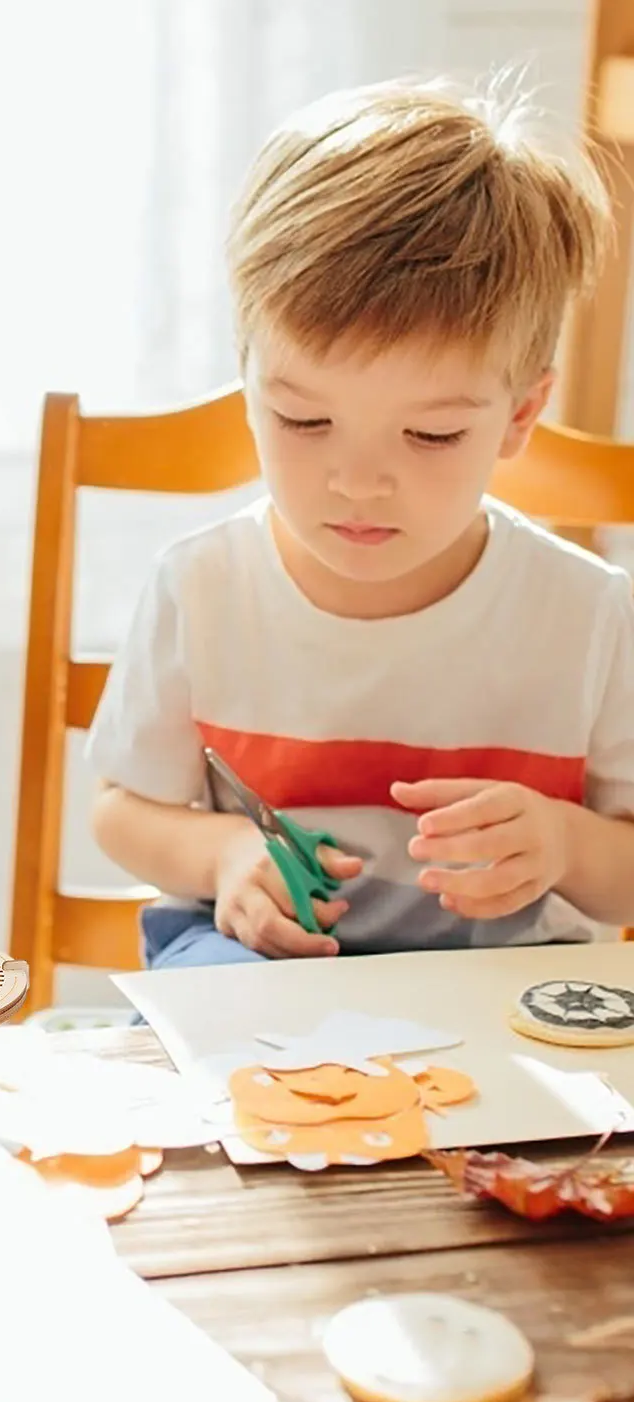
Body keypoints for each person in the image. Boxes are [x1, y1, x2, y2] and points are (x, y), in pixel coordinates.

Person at [87, 79, 634, 969]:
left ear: (522, 415)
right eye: (304, 420)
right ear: (248, 380)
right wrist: (225, 854)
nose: (359, 483)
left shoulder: (586, 614)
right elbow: (120, 807)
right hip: (256, 962)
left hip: (501, 978)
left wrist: (568, 846)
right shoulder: (204, 587)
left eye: (431, 434)